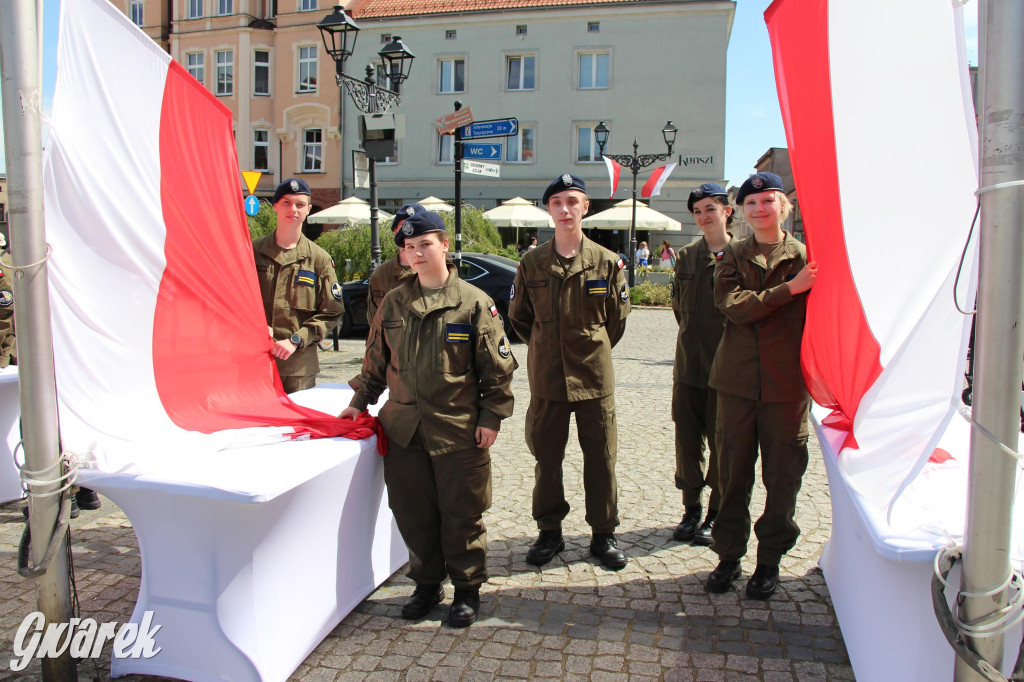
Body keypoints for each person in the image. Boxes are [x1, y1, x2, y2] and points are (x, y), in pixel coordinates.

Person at [339, 210, 516, 628]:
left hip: (457, 430)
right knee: (414, 513)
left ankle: (467, 588)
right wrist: (360, 401)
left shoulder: (474, 303)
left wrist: (491, 418)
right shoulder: (395, 302)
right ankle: (426, 583)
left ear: (444, 246)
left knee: (461, 514)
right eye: (409, 247)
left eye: (425, 245)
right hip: (403, 431)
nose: (416, 253)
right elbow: (377, 361)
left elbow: (498, 371)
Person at [509, 173, 631, 571]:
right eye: (557, 202)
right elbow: (521, 320)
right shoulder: (531, 263)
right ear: (548, 210)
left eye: (572, 201)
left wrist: (585, 348)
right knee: (547, 459)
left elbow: (616, 322)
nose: (565, 209)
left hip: (594, 379)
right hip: (547, 380)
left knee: (601, 458)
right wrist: (549, 349)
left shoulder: (608, 262)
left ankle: (603, 533)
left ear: (585, 208)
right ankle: (550, 532)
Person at [705, 171, 818, 600]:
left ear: (783, 206)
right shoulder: (732, 256)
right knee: (733, 475)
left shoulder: (806, 256)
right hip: (736, 383)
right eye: (751, 203)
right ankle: (728, 555)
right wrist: (790, 289)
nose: (759, 209)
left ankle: (769, 559)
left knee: (783, 475)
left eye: (768, 201)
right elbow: (733, 307)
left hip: (787, 386)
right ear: (743, 211)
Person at [671, 183, 733, 545]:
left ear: (726, 211)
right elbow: (681, 312)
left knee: (724, 446)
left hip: (726, 373)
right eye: (697, 211)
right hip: (688, 369)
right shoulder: (687, 256)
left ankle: (716, 512)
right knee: (687, 445)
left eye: (710, 209)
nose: (703, 216)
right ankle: (691, 508)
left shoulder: (740, 256)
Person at [253, 178, 344, 393]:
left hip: (298, 368)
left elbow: (332, 313)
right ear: (275, 206)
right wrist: (253, 327)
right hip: (254, 362)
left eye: (300, 204)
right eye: (286, 202)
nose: (293, 209)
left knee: (298, 425)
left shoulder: (319, 259)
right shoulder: (251, 252)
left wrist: (296, 340)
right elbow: (232, 300)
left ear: (308, 210)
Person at [366, 203, 426, 325]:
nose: (409, 232)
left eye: (415, 226)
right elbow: (374, 323)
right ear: (395, 232)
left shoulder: (436, 271)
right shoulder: (381, 275)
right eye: (404, 226)